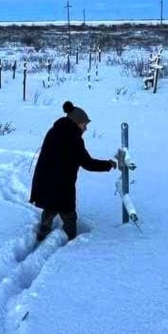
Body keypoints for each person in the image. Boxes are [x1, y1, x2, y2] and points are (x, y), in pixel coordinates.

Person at [29, 100, 117, 243]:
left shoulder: (54, 131)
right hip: (63, 185)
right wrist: (108, 164)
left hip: (44, 180)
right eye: (84, 125)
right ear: (77, 122)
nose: (86, 128)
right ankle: (71, 241)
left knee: (50, 207)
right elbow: (88, 163)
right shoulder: (74, 139)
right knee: (69, 215)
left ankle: (43, 232)